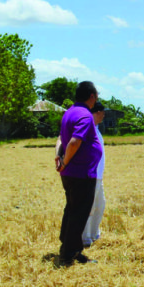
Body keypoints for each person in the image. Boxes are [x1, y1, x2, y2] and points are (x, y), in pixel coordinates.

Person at [55, 81, 103, 267]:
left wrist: (59, 159)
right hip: (81, 173)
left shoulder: (69, 112)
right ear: (91, 96)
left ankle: (70, 248)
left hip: (70, 173)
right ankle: (67, 255)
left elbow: (61, 139)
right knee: (79, 213)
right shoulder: (85, 115)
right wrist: (65, 161)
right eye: (96, 95)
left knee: (72, 209)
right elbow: (74, 142)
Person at [82, 101, 106, 247]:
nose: (103, 116)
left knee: (100, 205)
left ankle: (94, 233)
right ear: (96, 113)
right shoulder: (87, 128)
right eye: (102, 113)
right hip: (90, 175)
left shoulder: (96, 129)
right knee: (88, 208)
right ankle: (85, 238)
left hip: (98, 175)